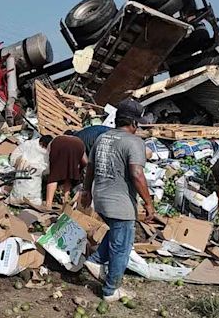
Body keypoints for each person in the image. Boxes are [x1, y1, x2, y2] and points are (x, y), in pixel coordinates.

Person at [81, 98, 155, 302]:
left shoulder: (103, 138)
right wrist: (148, 203)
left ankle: (96, 261)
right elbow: (137, 174)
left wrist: (86, 192)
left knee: (115, 235)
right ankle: (110, 290)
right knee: (122, 246)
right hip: (120, 204)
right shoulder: (134, 142)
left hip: (101, 198)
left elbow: (90, 167)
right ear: (134, 123)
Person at [45, 132, 86, 209]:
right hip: (78, 146)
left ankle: (48, 204)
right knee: (69, 175)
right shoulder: (78, 140)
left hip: (59, 144)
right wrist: (79, 170)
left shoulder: (57, 139)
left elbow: (48, 156)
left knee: (54, 176)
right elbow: (85, 161)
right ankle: (65, 200)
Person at [9, 135, 53, 205]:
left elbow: (47, 170)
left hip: (33, 186)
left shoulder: (47, 154)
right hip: (23, 177)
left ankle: (19, 198)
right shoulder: (29, 145)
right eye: (43, 146)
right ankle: (17, 198)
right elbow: (15, 156)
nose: (43, 149)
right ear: (40, 143)